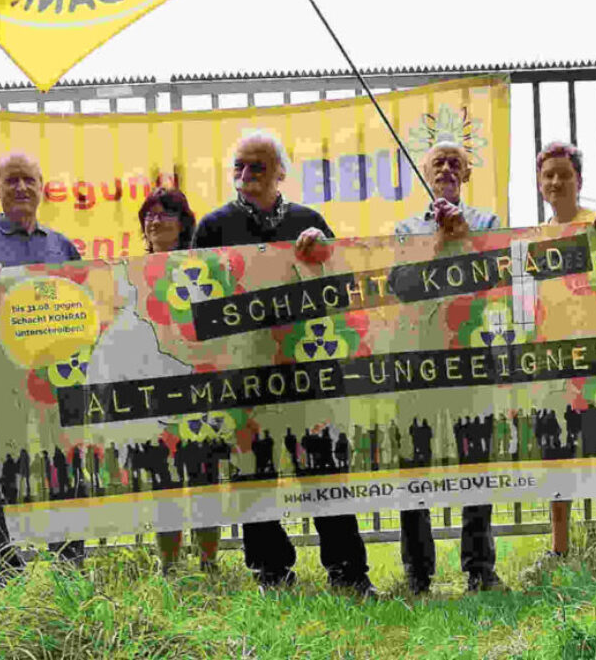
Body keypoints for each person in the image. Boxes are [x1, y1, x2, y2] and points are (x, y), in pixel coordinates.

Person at [192, 131, 377, 597]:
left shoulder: (308, 222)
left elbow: (340, 292)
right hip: (245, 373)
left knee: (323, 469)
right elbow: (194, 299)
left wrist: (322, 256)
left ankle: (349, 573)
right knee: (253, 475)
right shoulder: (213, 227)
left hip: (307, 373)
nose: (245, 175)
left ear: (280, 173)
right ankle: (271, 575)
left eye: (257, 167)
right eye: (238, 166)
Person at [0, 152, 85, 579]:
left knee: (64, 467)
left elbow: (84, 306)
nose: (22, 188)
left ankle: (68, 572)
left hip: (56, 377)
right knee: (1, 475)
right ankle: (8, 580)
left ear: (43, 187)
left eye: (29, 179)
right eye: (11, 180)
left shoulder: (62, 246)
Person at [394, 141, 504, 594]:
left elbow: (494, 276)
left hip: (472, 353)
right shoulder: (405, 229)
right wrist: (440, 243)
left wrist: (466, 239)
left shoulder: (487, 223)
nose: (446, 169)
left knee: (475, 458)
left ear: (467, 174)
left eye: (455, 163)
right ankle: (418, 572)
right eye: (438, 162)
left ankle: (479, 568)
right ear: (425, 171)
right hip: (417, 355)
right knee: (414, 460)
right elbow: (402, 286)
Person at [527, 142, 596, 571]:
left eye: (564, 174)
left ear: (579, 180)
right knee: (555, 453)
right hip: (553, 362)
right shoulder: (534, 238)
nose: (556, 182)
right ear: (540, 183)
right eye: (548, 175)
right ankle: (559, 549)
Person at [132, 187, 223, 575]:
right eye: (149, 215)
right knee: (163, 480)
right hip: (154, 388)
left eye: (165, 213)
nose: (155, 221)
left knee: (204, 476)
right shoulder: (130, 273)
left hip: (200, 383)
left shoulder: (204, 267)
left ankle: (209, 562)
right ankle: (168, 565)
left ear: (184, 222)